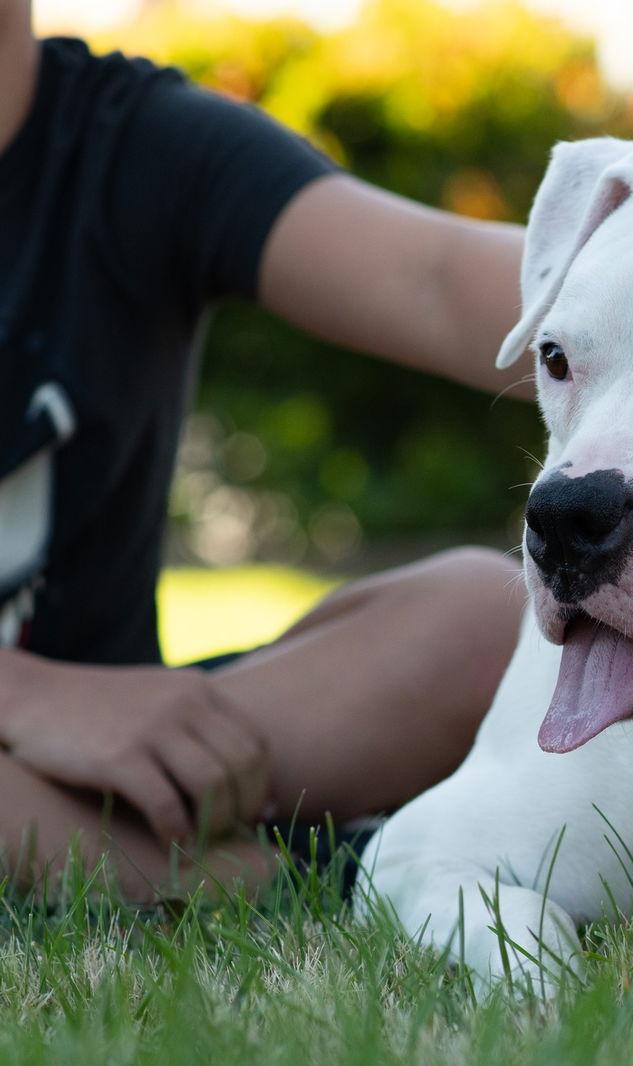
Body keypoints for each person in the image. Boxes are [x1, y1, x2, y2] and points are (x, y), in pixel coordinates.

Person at [0, 1, 533, 898]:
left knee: (491, 619)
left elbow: (437, 280)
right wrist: (29, 696)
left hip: (144, 751)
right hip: (70, 731)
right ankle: (280, 876)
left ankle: (103, 850)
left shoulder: (129, 143)